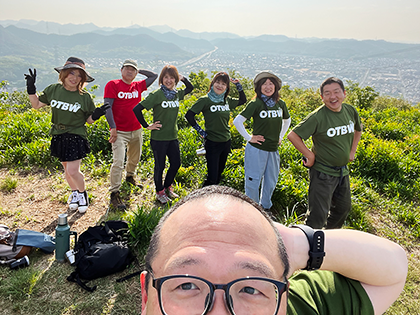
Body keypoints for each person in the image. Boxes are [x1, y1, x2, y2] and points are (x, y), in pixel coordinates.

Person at [140, 185, 407, 315]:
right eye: (186, 285)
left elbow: (393, 270)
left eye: (249, 287)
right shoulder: (271, 297)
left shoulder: (301, 306)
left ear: (284, 297)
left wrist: (296, 244)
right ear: (145, 295)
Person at [24, 57, 109, 213]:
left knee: (73, 171)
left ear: (82, 79)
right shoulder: (53, 90)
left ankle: (83, 194)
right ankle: (75, 193)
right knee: (66, 169)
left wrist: (96, 115)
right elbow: (36, 105)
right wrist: (31, 89)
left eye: (79, 75)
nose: (74, 78)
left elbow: (89, 121)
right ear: (64, 74)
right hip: (58, 133)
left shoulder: (84, 97)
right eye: (71, 73)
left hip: (76, 134)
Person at [287, 77, 363, 229]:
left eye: (336, 92)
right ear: (322, 98)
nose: (332, 97)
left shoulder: (350, 111)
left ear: (344, 94)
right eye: (327, 93)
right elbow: (293, 135)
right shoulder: (318, 116)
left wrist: (352, 151)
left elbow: (358, 129)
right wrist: (309, 155)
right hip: (323, 173)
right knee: (317, 216)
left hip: (343, 171)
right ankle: (309, 246)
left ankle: (328, 238)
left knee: (343, 208)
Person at [133, 65, 193, 204]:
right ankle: (159, 192)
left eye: (172, 77)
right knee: (160, 166)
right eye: (166, 77)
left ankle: (167, 187)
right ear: (161, 79)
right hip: (159, 138)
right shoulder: (157, 95)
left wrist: (182, 78)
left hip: (173, 136)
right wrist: (147, 126)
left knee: (176, 163)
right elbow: (137, 109)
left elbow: (190, 88)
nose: (169, 80)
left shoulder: (177, 94)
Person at [104, 59, 158, 210]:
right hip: (119, 131)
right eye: (126, 68)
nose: (129, 71)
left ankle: (130, 177)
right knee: (118, 162)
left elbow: (153, 76)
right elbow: (107, 107)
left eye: (132, 70)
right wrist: (112, 128)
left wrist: (138, 70)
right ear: (121, 70)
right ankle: (114, 192)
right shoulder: (113, 85)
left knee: (135, 157)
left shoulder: (138, 86)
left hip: (136, 129)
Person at [233, 71, 291, 211]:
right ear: (259, 87)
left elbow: (287, 120)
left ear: (276, 87)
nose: (268, 87)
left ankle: (265, 207)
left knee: (271, 181)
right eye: (264, 84)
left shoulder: (280, 103)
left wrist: (280, 136)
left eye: (271, 84)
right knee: (253, 180)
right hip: (257, 149)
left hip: (273, 149)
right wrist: (249, 137)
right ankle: (252, 209)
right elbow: (237, 121)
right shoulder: (256, 103)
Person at [185, 72, 246, 186]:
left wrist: (238, 86)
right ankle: (204, 196)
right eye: (217, 82)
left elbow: (242, 100)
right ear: (212, 83)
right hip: (212, 142)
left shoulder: (226, 100)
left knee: (219, 174)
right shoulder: (205, 100)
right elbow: (189, 115)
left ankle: (213, 198)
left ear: (227, 87)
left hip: (226, 141)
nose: (220, 85)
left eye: (223, 83)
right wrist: (201, 131)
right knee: (212, 176)